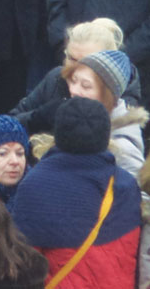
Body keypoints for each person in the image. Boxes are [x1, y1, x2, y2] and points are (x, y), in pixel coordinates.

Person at [9, 97, 142, 287]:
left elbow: (22, 269)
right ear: (105, 136)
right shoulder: (126, 186)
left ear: (58, 133)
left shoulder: (35, 186)